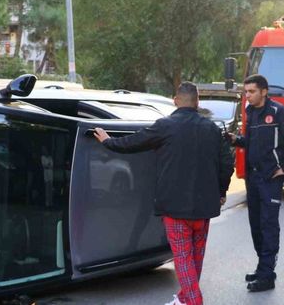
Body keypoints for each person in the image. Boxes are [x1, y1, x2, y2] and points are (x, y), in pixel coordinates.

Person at [93, 82, 233, 305]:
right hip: (204, 208)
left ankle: (193, 300)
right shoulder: (213, 129)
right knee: (196, 257)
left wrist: (108, 141)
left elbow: (133, 143)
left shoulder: (165, 125)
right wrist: (221, 191)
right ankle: (185, 298)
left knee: (183, 257)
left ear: (176, 100)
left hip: (175, 207)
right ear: (197, 103)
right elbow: (227, 163)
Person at [229, 74, 284, 292]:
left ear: (264, 91)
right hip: (253, 178)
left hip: (270, 179)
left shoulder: (278, 112)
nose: (248, 96)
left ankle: (266, 275)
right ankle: (264, 268)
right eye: (246, 92)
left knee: (268, 225)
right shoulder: (251, 112)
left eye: (251, 91)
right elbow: (251, 142)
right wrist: (236, 140)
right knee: (256, 225)